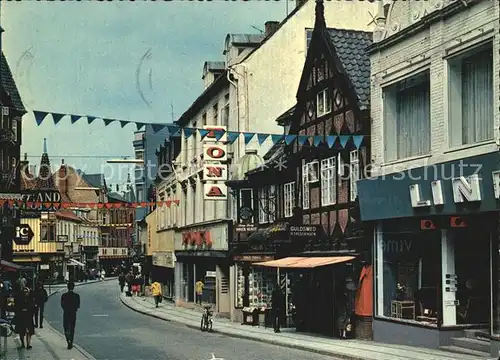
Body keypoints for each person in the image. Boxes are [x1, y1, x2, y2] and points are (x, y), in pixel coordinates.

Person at [61, 282, 80, 349]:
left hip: (66, 313)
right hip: (73, 313)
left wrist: (66, 309)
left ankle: (67, 339)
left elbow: (62, 305)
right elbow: (78, 305)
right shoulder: (77, 296)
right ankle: (71, 342)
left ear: (67, 287)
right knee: (72, 328)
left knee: (65, 327)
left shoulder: (64, 295)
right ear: (73, 287)